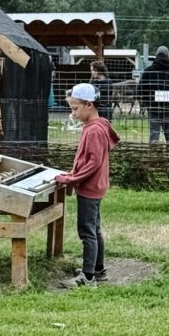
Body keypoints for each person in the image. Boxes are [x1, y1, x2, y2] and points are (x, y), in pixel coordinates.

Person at [55, 83, 120, 289]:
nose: (73, 113)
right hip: (96, 186)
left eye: (75, 108)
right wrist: (73, 173)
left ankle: (88, 277)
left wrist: (71, 179)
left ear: (89, 105)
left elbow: (92, 163)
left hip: (90, 188)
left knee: (87, 232)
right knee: (94, 229)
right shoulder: (100, 125)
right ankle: (97, 269)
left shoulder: (93, 131)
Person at [138, 45, 169, 143]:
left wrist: (147, 102)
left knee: (154, 132)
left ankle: (154, 154)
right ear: (168, 55)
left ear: (156, 55)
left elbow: (141, 89)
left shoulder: (149, 70)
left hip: (153, 107)